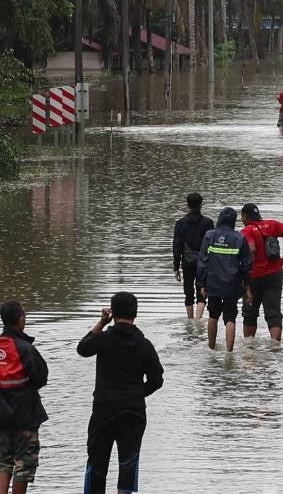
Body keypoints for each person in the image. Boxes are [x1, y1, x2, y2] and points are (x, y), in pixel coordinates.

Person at [77, 291, 164, 493]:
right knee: (128, 463)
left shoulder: (103, 339)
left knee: (97, 464)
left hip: (104, 410)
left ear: (112, 313)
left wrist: (100, 324)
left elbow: (82, 349)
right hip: (133, 411)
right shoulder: (144, 345)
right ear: (136, 313)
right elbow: (157, 380)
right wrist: (136, 394)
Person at [0, 300, 49, 494]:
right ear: (20, 319)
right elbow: (40, 378)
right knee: (24, 462)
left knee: (4, 459)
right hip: (25, 417)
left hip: (1, 415)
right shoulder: (25, 349)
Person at [239, 203, 283, 341]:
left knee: (250, 312)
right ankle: (275, 345)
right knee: (273, 312)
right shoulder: (272, 224)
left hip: (255, 276)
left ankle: (249, 345)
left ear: (245, 216)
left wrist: (248, 270)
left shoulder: (246, 231)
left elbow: (252, 249)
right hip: (275, 274)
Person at [197, 207, 253, 351]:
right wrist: (246, 284)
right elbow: (247, 264)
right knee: (230, 318)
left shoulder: (210, 235)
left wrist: (201, 283)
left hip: (213, 282)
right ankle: (229, 351)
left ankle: (211, 348)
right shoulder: (239, 238)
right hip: (232, 283)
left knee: (213, 315)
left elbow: (203, 262)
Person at [172, 192, 215, 319]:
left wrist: (176, 266)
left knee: (188, 293)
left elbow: (177, 246)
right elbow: (212, 245)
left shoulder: (180, 223)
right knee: (202, 291)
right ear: (201, 205)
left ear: (188, 205)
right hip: (204, 262)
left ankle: (190, 319)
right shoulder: (208, 223)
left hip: (187, 262)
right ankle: (197, 320)